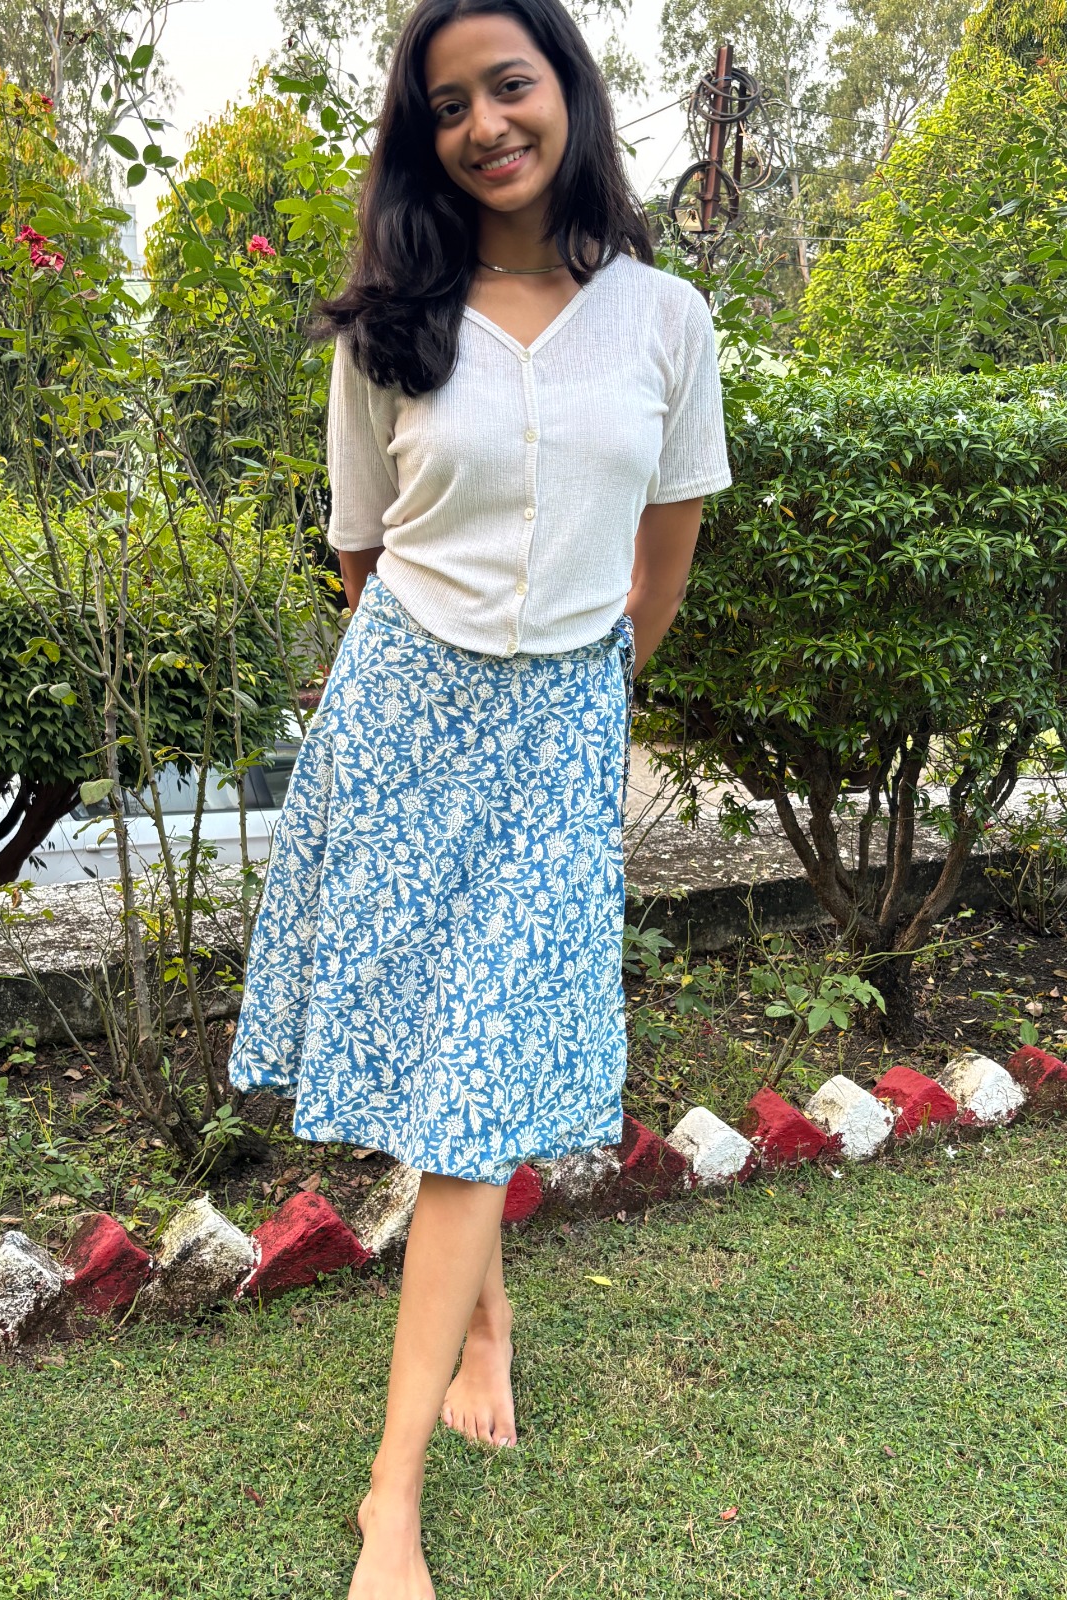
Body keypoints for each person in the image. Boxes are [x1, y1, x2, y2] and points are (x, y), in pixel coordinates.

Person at [227, 0, 732, 1591]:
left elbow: (664, 557)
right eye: (446, 106)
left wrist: (584, 695)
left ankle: (390, 1500)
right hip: (400, 717)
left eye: (508, 86)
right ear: (422, 138)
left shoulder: (663, 321)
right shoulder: (392, 326)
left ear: (565, 90)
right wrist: (439, 680)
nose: (483, 125)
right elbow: (361, 550)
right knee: (448, 1070)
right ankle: (485, 1323)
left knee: (475, 1073)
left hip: (561, 728)